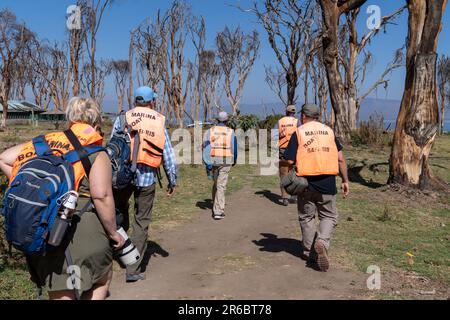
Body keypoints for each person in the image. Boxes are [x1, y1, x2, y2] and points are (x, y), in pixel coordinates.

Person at [0, 97, 125, 300]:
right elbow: (101, 196)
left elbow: (4, 158)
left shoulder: (42, 142)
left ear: (70, 119)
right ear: (96, 123)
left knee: (60, 288)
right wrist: (113, 233)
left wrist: (34, 190)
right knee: (101, 279)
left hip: (44, 229)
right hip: (83, 231)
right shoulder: (96, 152)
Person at [111, 86, 177, 283]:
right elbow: (168, 155)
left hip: (122, 177)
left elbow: (112, 147)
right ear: (152, 101)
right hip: (147, 177)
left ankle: (119, 251)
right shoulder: (158, 120)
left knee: (119, 211)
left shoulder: (123, 118)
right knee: (142, 221)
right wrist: (172, 179)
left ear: (136, 101)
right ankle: (132, 269)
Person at [285, 104, 349, 272]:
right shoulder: (329, 132)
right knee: (329, 216)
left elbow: (290, 161)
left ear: (303, 116)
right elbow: (341, 159)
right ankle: (322, 241)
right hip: (327, 183)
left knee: (307, 218)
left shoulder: (299, 132)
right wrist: (345, 180)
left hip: (305, 184)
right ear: (317, 116)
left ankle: (309, 252)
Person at [203, 111, 238, 220]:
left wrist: (207, 163)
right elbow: (234, 147)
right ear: (227, 120)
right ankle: (218, 211)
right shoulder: (231, 132)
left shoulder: (210, 131)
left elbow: (205, 147)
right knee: (221, 185)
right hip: (226, 160)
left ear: (217, 120)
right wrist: (234, 159)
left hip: (213, 160)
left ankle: (215, 203)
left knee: (216, 183)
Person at [276, 105, 299, 206]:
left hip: (282, 149)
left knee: (283, 172)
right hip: (295, 149)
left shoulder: (280, 121)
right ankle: (294, 195)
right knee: (294, 171)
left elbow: (274, 134)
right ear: (294, 112)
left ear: (286, 112)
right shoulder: (297, 122)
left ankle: (285, 197)